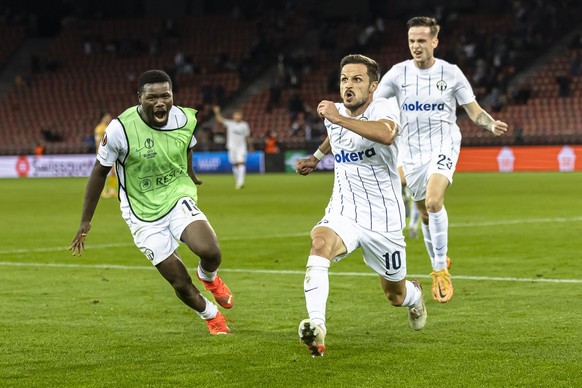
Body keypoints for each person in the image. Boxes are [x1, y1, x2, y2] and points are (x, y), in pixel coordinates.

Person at [69, 70, 233, 335]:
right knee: (179, 282)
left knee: (211, 250)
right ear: (140, 98)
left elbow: (187, 144)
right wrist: (86, 221)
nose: (160, 102)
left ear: (172, 96)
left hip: (176, 195)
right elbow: (99, 172)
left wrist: (189, 173)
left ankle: (209, 277)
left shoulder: (182, 117)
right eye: (152, 97)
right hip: (141, 213)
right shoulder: (120, 129)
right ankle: (211, 316)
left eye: (165, 96)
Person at [295, 54, 427, 357]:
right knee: (319, 244)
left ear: (373, 86)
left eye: (357, 79)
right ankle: (317, 327)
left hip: (384, 219)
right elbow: (334, 134)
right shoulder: (338, 112)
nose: (349, 85)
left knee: (395, 295)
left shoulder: (383, 107)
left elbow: (385, 133)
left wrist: (337, 117)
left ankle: (415, 295)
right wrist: (316, 157)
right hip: (344, 209)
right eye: (344, 79)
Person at [374, 16, 508, 303]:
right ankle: (441, 257)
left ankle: (438, 270)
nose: (416, 46)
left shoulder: (451, 73)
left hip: (444, 144)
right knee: (424, 212)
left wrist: (489, 123)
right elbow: (374, 105)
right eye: (411, 41)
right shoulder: (397, 75)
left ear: (434, 41)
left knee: (434, 202)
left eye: (421, 40)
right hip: (410, 152)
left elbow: (472, 110)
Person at [212, 105, 252, 189]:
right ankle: (238, 181)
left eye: (239, 115)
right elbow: (220, 119)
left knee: (240, 162)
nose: (237, 116)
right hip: (231, 147)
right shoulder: (230, 123)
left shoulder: (244, 125)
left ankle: (241, 182)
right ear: (233, 116)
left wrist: (251, 146)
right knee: (234, 164)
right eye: (236, 115)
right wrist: (217, 112)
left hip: (241, 147)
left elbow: (247, 136)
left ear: (241, 116)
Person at [94, 112, 117, 198]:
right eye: (107, 117)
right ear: (103, 118)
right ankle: (102, 191)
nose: (109, 118)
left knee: (113, 172)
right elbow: (97, 142)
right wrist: (99, 153)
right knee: (103, 173)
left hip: (111, 152)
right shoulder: (99, 129)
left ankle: (112, 190)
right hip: (103, 154)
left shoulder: (110, 127)